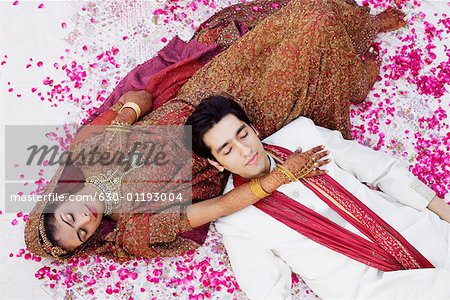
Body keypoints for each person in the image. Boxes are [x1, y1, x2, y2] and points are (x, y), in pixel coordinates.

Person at [25, 0, 407, 261]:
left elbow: (139, 97)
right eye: (82, 233)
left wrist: (126, 112)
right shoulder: (135, 229)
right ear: (91, 240)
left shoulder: (89, 153)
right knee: (314, 28)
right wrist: (279, 178)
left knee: (311, 9)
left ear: (59, 200)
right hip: (226, 135)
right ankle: (353, 74)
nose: (85, 220)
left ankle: (361, 31)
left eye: (70, 217)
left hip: (207, 91)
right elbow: (220, 206)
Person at [186, 96, 450, 299]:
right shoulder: (236, 221)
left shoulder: (301, 135)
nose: (245, 151)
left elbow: (382, 170)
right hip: (369, 291)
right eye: (227, 150)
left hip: (421, 235)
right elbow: (267, 290)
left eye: (242, 134)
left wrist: (444, 212)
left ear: (253, 128)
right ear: (215, 162)